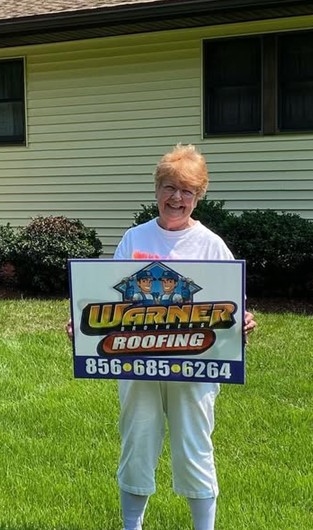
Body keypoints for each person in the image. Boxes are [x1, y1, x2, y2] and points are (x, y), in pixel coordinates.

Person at [68, 144, 257, 530]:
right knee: (138, 440)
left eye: (187, 190)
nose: (176, 198)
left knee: (194, 445)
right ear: (156, 190)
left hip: (196, 366)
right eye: (169, 187)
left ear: (198, 196)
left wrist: (245, 323)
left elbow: (230, 309)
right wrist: (83, 326)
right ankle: (131, 525)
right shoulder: (134, 239)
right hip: (136, 362)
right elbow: (107, 301)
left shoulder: (211, 244)